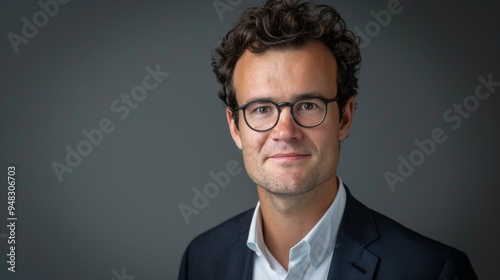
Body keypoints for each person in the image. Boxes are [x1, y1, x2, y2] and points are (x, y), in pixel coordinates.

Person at [178, 0, 477, 279]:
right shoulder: (201, 259)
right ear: (235, 127)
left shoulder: (434, 271)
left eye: (308, 105)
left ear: (344, 118)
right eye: (261, 109)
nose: (285, 131)